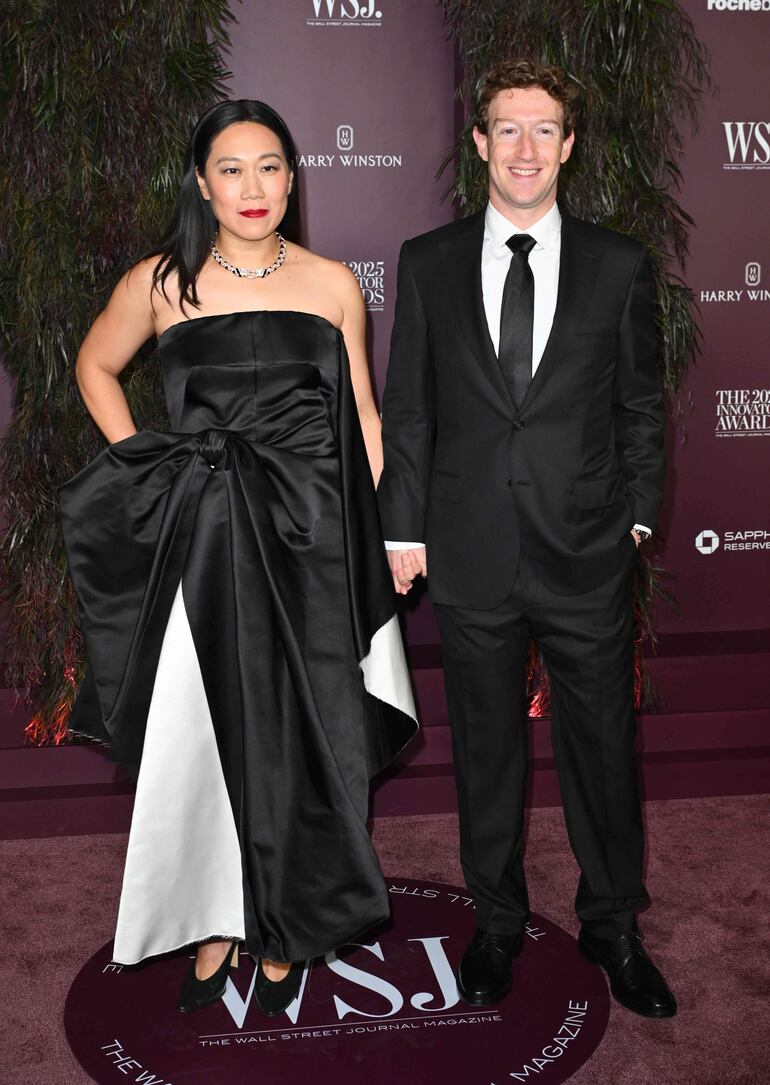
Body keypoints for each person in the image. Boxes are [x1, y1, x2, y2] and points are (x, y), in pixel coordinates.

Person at [61, 99, 417, 1017]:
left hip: (312, 537)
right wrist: (155, 462)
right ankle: (216, 915)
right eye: (230, 168)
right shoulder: (162, 282)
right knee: (209, 734)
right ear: (201, 180)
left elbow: (366, 420)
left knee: (306, 729)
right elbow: (94, 366)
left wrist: (379, 537)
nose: (252, 188)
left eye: (269, 167)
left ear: (293, 179)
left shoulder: (335, 283)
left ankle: (287, 915)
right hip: (206, 535)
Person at [378, 60, 676, 1018]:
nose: (525, 149)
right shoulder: (425, 261)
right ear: (479, 142)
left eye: (544, 130)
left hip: (585, 548)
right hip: (468, 551)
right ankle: (497, 922)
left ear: (569, 144)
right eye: (507, 129)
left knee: (601, 744)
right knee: (489, 752)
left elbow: (639, 404)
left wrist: (633, 515)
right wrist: (404, 528)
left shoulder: (619, 263)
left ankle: (613, 924)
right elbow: (409, 409)